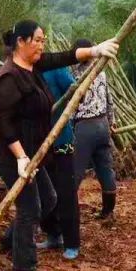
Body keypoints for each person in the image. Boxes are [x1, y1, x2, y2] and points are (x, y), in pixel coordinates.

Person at [0, 20, 119, 271]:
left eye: (43, 40)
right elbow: (4, 123)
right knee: (30, 206)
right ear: (21, 42)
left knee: (49, 199)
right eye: (37, 40)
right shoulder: (9, 77)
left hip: (32, 153)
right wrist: (20, 157)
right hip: (12, 154)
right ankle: (24, 268)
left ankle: (8, 241)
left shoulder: (33, 65)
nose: (41, 45)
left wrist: (95, 51)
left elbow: (63, 57)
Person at [70, 41, 118, 219]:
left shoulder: (74, 76)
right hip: (102, 125)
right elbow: (109, 100)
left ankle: (68, 215)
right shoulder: (101, 73)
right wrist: (111, 122)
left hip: (84, 127)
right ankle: (108, 212)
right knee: (105, 168)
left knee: (75, 171)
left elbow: (71, 107)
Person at [38, 63, 80, 260]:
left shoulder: (55, 68)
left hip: (60, 140)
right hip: (36, 144)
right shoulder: (23, 72)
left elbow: (77, 92)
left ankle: (71, 242)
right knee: (43, 192)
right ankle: (53, 234)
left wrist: (65, 104)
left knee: (65, 192)